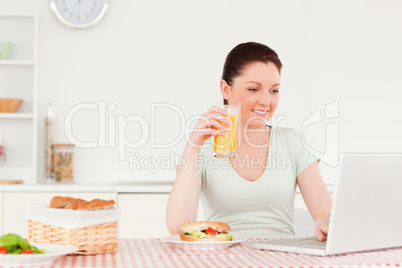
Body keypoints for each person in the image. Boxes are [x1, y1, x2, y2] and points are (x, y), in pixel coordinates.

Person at [166, 42, 332, 241]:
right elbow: (178, 227)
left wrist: (325, 222)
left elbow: (326, 215)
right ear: (225, 89)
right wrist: (193, 145)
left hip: (282, 259)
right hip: (224, 259)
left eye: (274, 90)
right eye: (254, 89)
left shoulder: (292, 142)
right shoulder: (202, 148)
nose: (266, 101)